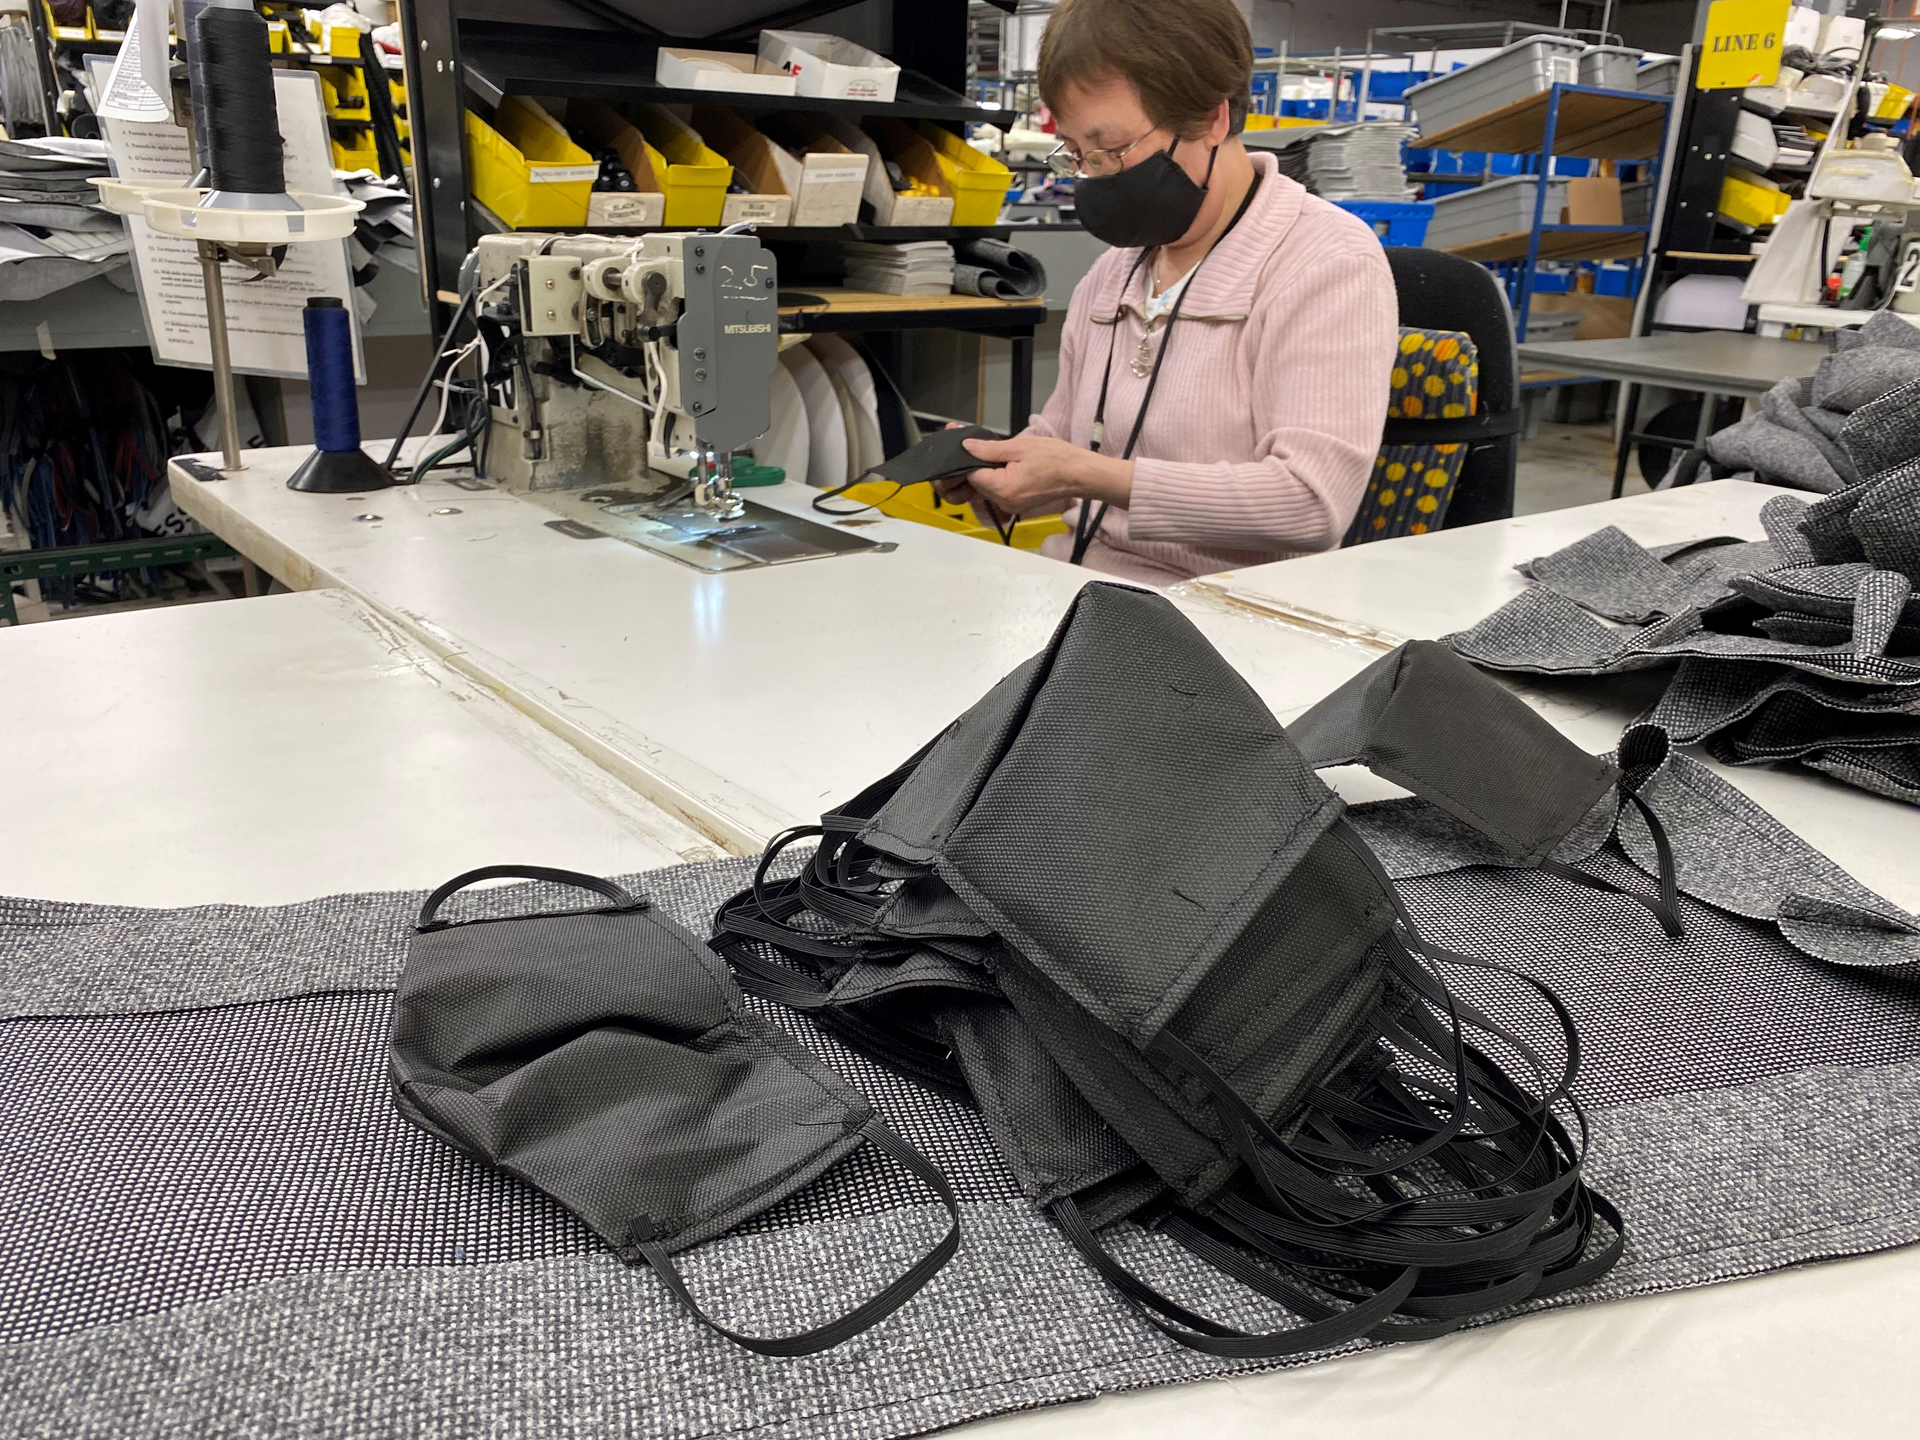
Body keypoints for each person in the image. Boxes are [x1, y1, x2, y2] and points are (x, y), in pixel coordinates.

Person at [940, 0, 1399, 584]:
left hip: (1239, 615)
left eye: (1112, 151)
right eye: (1079, 155)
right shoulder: (1115, 271)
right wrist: (999, 470)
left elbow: (1311, 502)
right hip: (1083, 589)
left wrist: (1090, 475)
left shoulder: (1324, 261)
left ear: (1211, 118)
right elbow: (1065, 448)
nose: (1096, 175)